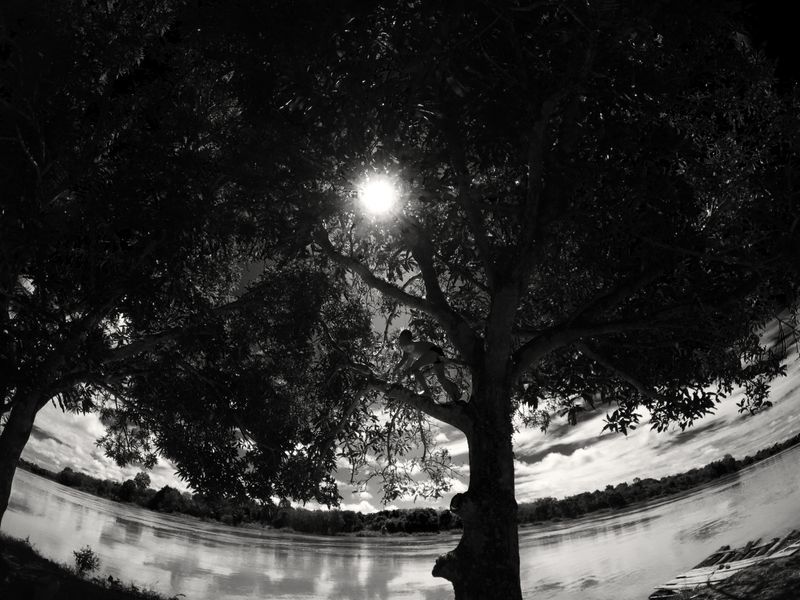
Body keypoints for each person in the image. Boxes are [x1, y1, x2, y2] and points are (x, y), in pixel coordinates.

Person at [392, 329, 461, 403]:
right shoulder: (410, 351)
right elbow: (407, 367)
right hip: (438, 354)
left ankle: (427, 392)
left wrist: (395, 371)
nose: (399, 340)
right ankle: (455, 395)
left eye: (400, 338)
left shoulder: (407, 347)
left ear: (405, 338)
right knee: (441, 379)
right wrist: (399, 380)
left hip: (433, 352)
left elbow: (404, 361)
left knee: (414, 368)